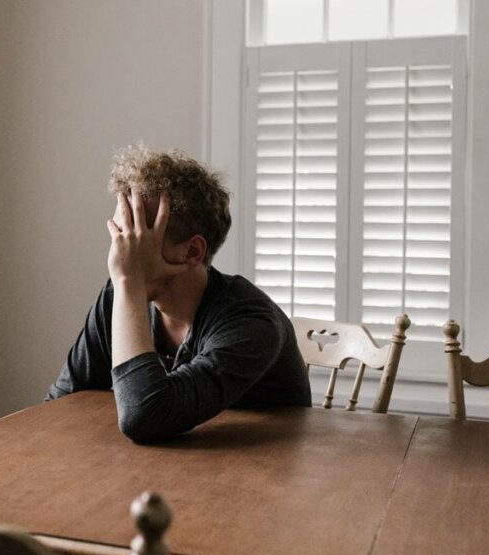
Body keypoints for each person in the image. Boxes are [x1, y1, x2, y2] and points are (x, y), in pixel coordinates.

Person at [46, 144, 311, 443]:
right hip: (163, 470)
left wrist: (130, 282)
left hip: (264, 475)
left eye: (137, 237)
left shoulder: (252, 322)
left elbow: (144, 417)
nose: (119, 253)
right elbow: (59, 404)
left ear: (192, 251)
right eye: (120, 235)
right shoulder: (119, 296)